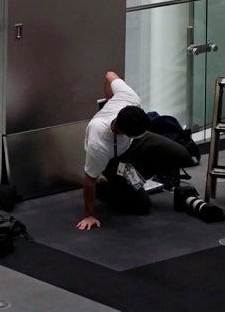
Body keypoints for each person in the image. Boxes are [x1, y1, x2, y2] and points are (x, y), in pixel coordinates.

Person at [75, 72, 198, 231]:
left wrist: (109, 99)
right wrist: (89, 215)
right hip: (116, 158)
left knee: (184, 155)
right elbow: (89, 180)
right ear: (122, 131)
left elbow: (109, 75)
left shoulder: (129, 97)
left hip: (137, 142)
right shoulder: (99, 143)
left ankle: (137, 174)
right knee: (142, 206)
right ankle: (108, 187)